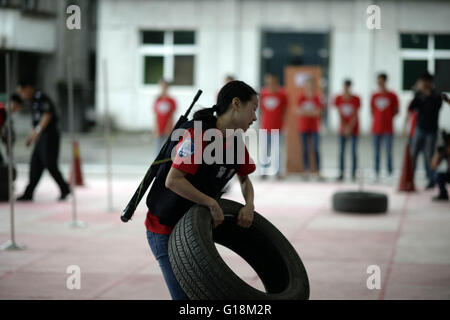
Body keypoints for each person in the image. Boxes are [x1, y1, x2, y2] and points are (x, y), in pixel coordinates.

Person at [144, 80, 258, 300]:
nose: (254, 117)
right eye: (253, 109)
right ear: (236, 104)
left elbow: (245, 179)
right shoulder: (197, 135)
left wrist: (249, 205)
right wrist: (211, 202)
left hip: (194, 227)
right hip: (165, 230)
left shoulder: (235, 142)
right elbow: (173, 181)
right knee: (187, 299)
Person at [16, 79, 71, 201]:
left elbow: (47, 115)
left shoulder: (41, 97)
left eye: (22, 92)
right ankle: (29, 192)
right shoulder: (33, 101)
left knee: (50, 163)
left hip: (49, 135)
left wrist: (37, 132)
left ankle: (65, 188)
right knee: (35, 164)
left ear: (28, 87)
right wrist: (31, 137)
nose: (22, 95)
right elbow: (35, 122)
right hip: (41, 136)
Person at [408, 72, 450, 189]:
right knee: (413, 154)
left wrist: (425, 93)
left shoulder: (437, 95)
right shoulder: (419, 95)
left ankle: (431, 179)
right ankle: (410, 178)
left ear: (430, 82)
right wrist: (418, 93)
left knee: (429, 156)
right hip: (419, 128)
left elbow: (435, 107)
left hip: (431, 130)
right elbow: (411, 108)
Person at [370, 73, 399, 182]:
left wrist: (388, 117)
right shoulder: (374, 96)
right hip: (376, 128)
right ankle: (376, 172)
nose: (379, 83)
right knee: (376, 151)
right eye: (378, 81)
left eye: (381, 81)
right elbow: (372, 110)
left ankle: (390, 173)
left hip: (388, 128)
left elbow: (396, 110)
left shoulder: (392, 95)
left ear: (385, 81)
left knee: (388, 151)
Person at [259, 73, 288, 179]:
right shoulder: (263, 93)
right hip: (265, 126)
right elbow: (262, 109)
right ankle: (264, 170)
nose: (270, 85)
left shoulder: (282, 94)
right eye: (268, 83)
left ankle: (278, 171)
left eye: (272, 82)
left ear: (276, 82)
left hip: (277, 127)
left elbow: (285, 109)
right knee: (265, 150)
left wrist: (284, 124)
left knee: (277, 150)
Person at [334, 79, 361, 181]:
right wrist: (345, 127)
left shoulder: (356, 99)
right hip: (342, 129)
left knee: (353, 151)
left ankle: (353, 173)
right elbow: (339, 113)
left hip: (354, 129)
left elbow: (355, 114)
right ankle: (341, 172)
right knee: (341, 152)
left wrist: (350, 127)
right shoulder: (338, 98)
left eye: (348, 87)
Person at [296, 78, 323, 179]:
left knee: (315, 149)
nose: (309, 87)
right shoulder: (301, 97)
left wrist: (305, 112)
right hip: (303, 127)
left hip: (314, 127)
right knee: (305, 150)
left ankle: (318, 170)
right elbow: (298, 111)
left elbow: (318, 112)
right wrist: (312, 113)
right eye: (307, 85)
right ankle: (306, 170)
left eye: (310, 85)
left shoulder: (317, 97)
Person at [153, 79, 177, 154]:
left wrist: (169, 127)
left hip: (168, 127)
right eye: (162, 86)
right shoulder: (158, 99)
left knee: (167, 148)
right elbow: (156, 114)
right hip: (159, 127)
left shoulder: (171, 100)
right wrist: (156, 128)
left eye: (165, 86)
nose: (163, 88)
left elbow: (172, 115)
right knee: (158, 148)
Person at [0, 94, 22, 165]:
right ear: (14, 103)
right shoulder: (1, 111)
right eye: (18, 107)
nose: (17, 110)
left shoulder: (4, 113)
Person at [430, 131, 450, 201]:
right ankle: (443, 194)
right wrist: (438, 153)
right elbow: (433, 166)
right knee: (438, 175)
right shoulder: (445, 150)